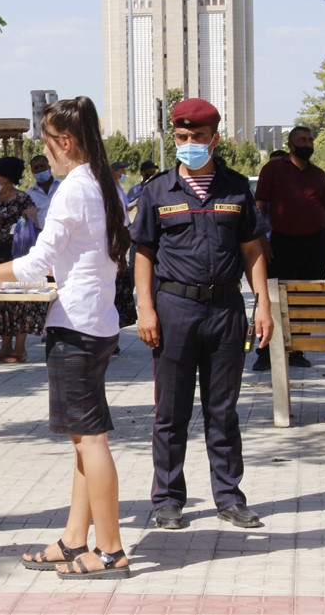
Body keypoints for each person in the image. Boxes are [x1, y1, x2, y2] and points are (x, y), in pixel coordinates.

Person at [0, 96, 132, 579]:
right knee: (82, 438)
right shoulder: (100, 183)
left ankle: (110, 550)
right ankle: (75, 540)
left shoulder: (74, 188)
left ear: (65, 142)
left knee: (91, 439)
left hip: (77, 325)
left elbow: (35, 265)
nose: (42, 152)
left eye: (45, 143)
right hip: (94, 320)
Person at [131, 97, 273, 531]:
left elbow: (252, 249)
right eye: (181, 137)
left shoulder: (235, 188)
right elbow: (144, 253)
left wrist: (262, 303)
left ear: (214, 138)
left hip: (226, 309)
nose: (188, 143)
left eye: (197, 137)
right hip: (174, 308)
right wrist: (145, 308)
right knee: (170, 412)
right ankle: (168, 499)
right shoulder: (158, 190)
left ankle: (229, 497)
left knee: (223, 410)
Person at [252, 125, 325, 371]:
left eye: (310, 139)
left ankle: (297, 349)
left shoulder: (319, 175)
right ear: (291, 144)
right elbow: (259, 208)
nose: (307, 144)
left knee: (307, 301)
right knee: (277, 300)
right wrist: (263, 242)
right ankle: (266, 352)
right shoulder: (273, 169)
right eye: (302, 140)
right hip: (282, 244)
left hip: (315, 244)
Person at [0, 156, 46, 363]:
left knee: (17, 301)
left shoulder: (23, 199)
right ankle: (4, 346)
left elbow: (33, 224)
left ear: (6, 179)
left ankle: (19, 348)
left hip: (14, 256)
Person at [27, 154, 61, 228]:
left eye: (42, 166)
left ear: (49, 167)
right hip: (41, 234)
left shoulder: (63, 186)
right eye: (36, 168)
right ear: (32, 172)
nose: (40, 170)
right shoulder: (29, 194)